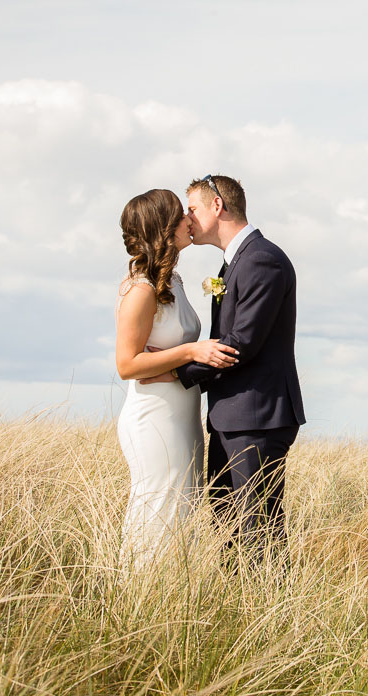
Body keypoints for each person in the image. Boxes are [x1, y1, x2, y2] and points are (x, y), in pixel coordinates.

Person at [173, 174, 306, 559]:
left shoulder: (262, 259)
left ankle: (269, 612)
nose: (188, 219)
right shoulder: (234, 263)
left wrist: (176, 373)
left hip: (257, 417)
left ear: (217, 206)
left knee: (256, 532)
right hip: (235, 416)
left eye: (193, 209)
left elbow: (241, 343)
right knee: (227, 525)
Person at [113, 188, 239, 566]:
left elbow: (159, 358)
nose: (189, 218)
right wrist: (188, 352)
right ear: (163, 228)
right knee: (157, 507)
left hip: (181, 414)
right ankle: (138, 597)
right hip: (154, 418)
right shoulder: (141, 290)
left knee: (182, 507)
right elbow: (127, 365)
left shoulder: (174, 281)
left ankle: (168, 602)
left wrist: (172, 365)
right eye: (180, 213)